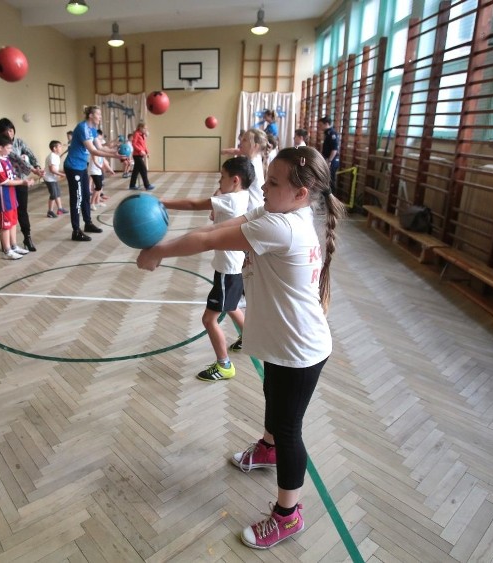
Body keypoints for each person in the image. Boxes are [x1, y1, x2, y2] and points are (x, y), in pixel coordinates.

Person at [136, 146, 345, 550]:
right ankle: (267, 450)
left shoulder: (281, 228)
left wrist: (159, 250)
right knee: (272, 399)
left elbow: (210, 238)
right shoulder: (279, 214)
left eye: (274, 182)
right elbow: (223, 223)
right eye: (266, 179)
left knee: (289, 429)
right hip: (285, 342)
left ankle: (288, 515)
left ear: (301, 194)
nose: (264, 187)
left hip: (301, 349)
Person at [159, 156, 252, 381]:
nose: (219, 180)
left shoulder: (229, 200)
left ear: (236, 180)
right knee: (231, 307)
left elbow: (194, 204)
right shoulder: (242, 195)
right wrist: (221, 190)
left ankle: (224, 365)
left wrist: (162, 202)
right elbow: (217, 203)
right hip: (236, 265)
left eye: (222, 176)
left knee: (209, 320)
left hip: (227, 269)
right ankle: (249, 337)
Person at [63, 105, 124, 242]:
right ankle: (76, 231)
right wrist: (115, 157)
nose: (100, 117)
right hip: (73, 167)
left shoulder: (93, 130)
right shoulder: (82, 128)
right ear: (91, 115)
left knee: (85, 195)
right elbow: (94, 151)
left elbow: (101, 147)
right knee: (77, 198)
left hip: (81, 167)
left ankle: (88, 223)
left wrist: (114, 151)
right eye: (98, 114)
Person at [0, 118, 42, 252]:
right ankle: (6, 244)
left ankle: (27, 238)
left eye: (11, 130)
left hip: (20, 182)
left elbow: (30, 154)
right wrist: (33, 170)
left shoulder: (19, 142)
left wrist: (37, 166)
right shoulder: (1, 146)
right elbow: (15, 158)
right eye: (6, 132)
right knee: (7, 214)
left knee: (22, 211)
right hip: (8, 185)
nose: (9, 134)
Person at [0, 134, 31, 260]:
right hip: (4, 197)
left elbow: (12, 176)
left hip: (12, 195)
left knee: (13, 221)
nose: (10, 151)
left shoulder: (5, 158)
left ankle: (14, 246)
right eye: (8, 148)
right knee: (6, 224)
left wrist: (24, 180)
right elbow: (3, 181)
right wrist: (22, 182)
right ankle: (7, 250)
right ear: (0, 147)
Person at [89, 129, 115, 210]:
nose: (100, 141)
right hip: (94, 171)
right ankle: (92, 203)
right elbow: (95, 161)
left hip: (98, 171)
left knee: (100, 187)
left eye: (100, 140)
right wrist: (101, 168)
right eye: (99, 140)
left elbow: (104, 162)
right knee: (98, 187)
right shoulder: (94, 150)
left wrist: (110, 170)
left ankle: (97, 202)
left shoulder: (100, 150)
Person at [43, 140, 67, 218]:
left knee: (57, 193)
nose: (61, 148)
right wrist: (62, 174)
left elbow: (55, 169)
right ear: (54, 148)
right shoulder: (52, 156)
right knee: (53, 195)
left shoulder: (56, 156)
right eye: (59, 146)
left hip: (53, 178)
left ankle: (60, 209)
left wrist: (63, 172)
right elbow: (52, 170)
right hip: (49, 179)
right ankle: (50, 211)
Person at [129, 121, 155, 191]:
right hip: (137, 155)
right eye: (144, 128)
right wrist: (140, 150)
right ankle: (147, 185)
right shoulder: (136, 134)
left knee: (136, 171)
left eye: (146, 129)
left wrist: (147, 152)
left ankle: (132, 185)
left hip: (141, 155)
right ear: (140, 128)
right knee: (143, 170)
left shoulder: (142, 135)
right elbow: (133, 144)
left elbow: (144, 145)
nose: (146, 130)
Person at [318, 116, 340, 192]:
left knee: (331, 180)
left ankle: (332, 198)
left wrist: (329, 161)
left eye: (321, 125)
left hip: (332, 160)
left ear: (326, 124)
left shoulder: (332, 133)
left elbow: (334, 149)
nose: (319, 127)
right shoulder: (327, 133)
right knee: (326, 179)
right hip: (327, 159)